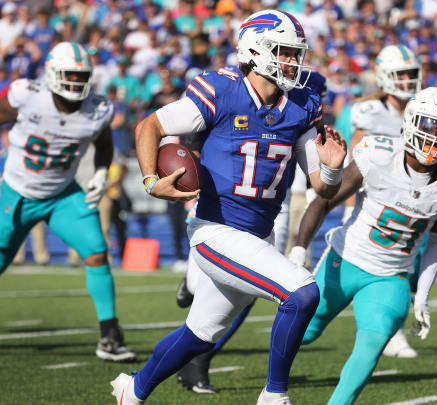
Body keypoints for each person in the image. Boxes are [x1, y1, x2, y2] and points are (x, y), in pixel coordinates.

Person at [110, 10, 347, 405]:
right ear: (256, 50)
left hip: (259, 236)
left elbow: (321, 187)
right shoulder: (221, 88)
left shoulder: (303, 103)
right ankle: (274, 396)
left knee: (198, 334)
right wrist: (152, 181)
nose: (293, 61)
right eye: (285, 52)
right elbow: (149, 125)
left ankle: (131, 392)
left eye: (295, 53)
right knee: (303, 293)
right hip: (215, 230)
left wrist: (334, 170)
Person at [0, 42, 136, 362]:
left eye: (80, 75)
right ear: (53, 74)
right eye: (69, 75)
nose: (75, 82)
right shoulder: (28, 95)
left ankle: (110, 335)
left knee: (97, 253)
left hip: (61, 195)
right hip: (18, 192)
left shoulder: (98, 109)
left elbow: (104, 143)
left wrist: (100, 172)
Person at [291, 87, 437, 405]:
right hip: (345, 258)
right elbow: (323, 200)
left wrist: (424, 294)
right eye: (428, 125)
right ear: (411, 121)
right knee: (303, 332)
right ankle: (271, 388)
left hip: (391, 277)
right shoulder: (377, 153)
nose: (433, 136)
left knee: (371, 347)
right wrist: (298, 249)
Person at [324, 43, 423, 359]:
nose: (408, 80)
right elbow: (348, 158)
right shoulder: (365, 111)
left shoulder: (421, 108)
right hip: (366, 205)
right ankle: (303, 322)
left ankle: (393, 334)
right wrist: (348, 203)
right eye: (401, 74)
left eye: (411, 73)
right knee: (338, 278)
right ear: (384, 76)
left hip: (405, 205)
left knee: (401, 271)